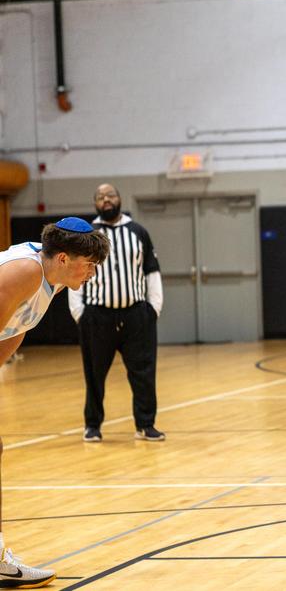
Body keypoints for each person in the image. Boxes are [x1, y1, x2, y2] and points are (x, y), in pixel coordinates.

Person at [0, 218, 109, 587]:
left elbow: (15, 329)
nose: (93, 273)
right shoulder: (25, 272)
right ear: (63, 258)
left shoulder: (53, 280)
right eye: (89, 265)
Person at [68, 184, 165, 442]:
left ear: (120, 199)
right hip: (97, 317)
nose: (106, 200)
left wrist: (153, 309)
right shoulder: (87, 234)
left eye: (110, 195)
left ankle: (145, 425)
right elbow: (74, 273)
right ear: (95, 203)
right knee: (94, 375)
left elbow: (152, 271)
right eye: (100, 197)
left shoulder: (138, 232)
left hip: (136, 316)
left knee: (143, 373)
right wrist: (80, 313)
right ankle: (92, 425)